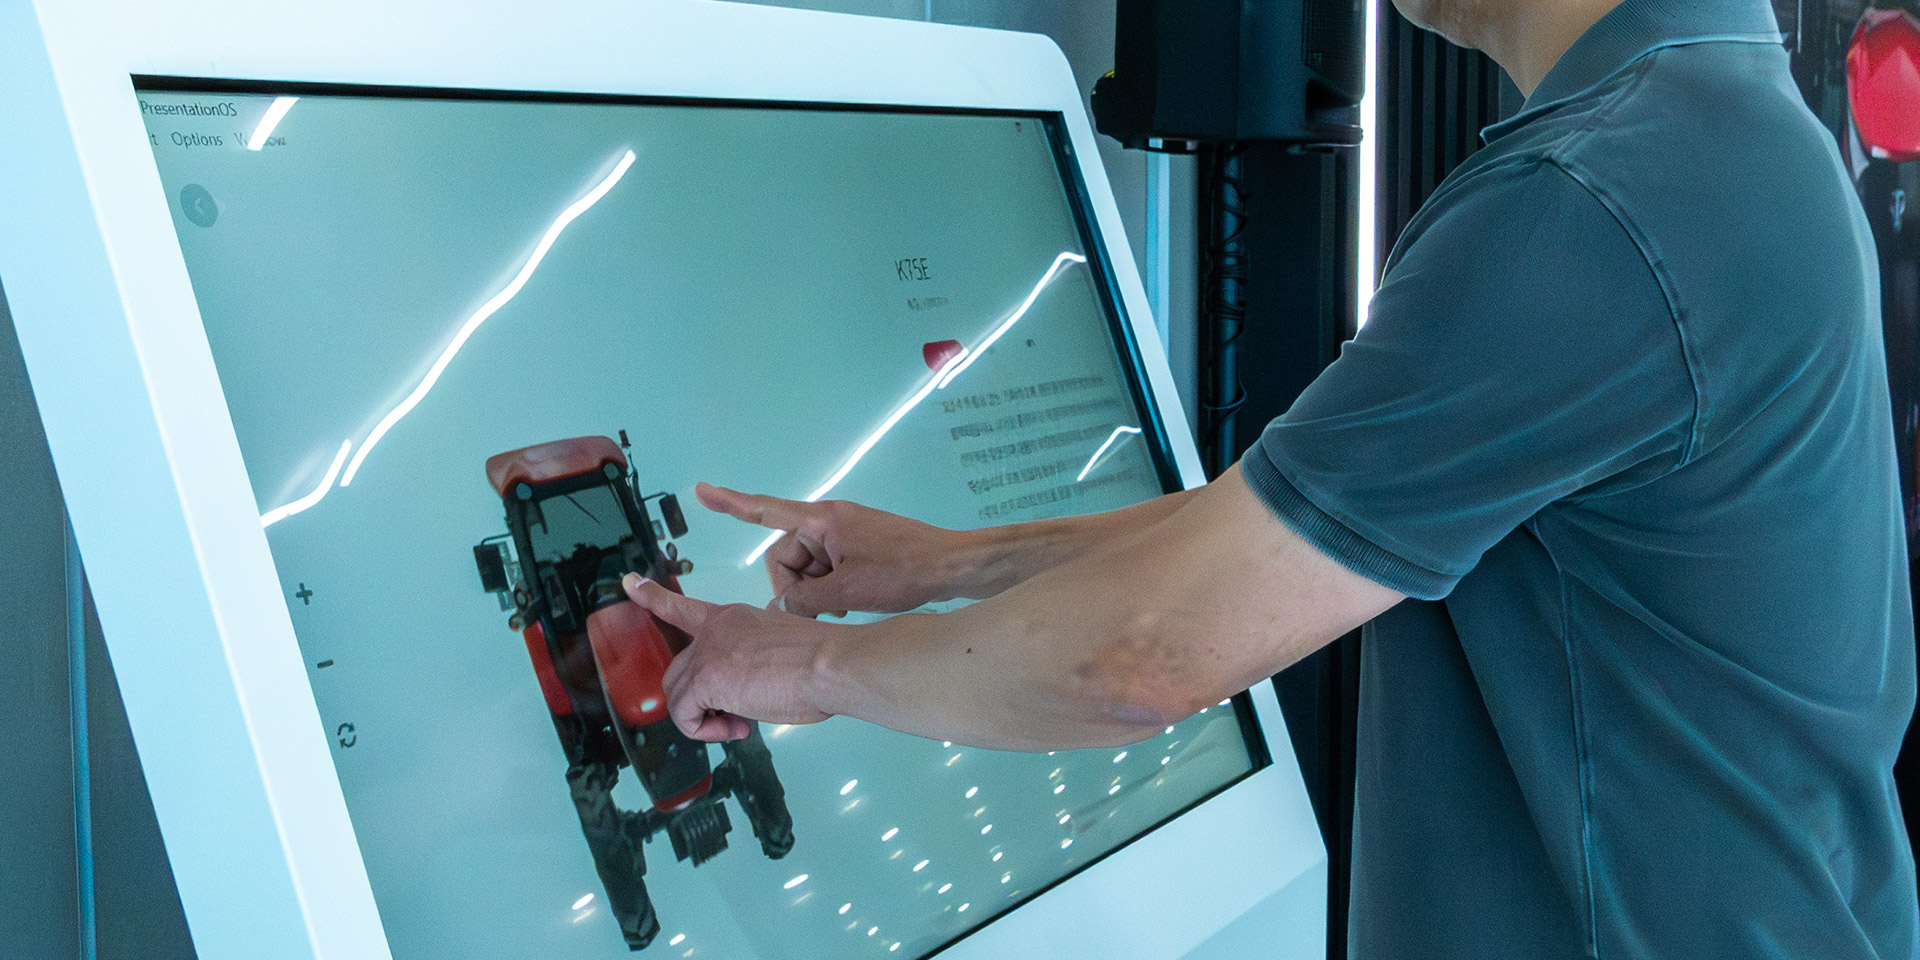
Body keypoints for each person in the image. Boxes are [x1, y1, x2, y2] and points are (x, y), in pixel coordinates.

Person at [622, 0, 1920, 954]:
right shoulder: (1722, 130)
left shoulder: (1590, 203)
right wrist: (943, 566)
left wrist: (808, 667)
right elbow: (1302, 529)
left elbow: (1140, 654)